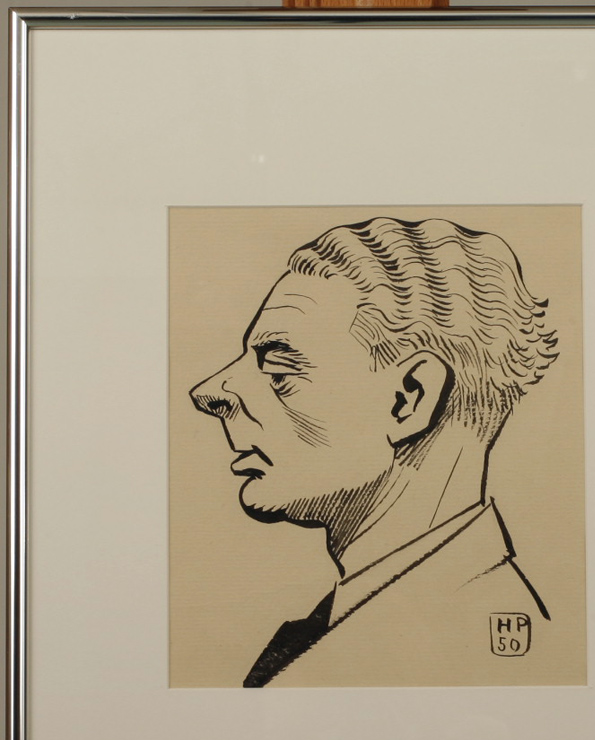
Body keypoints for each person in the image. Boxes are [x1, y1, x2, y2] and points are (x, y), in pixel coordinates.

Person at [190, 217, 558, 687]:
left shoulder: (468, 644)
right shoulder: (347, 625)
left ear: (409, 398)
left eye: (279, 369)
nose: (211, 391)